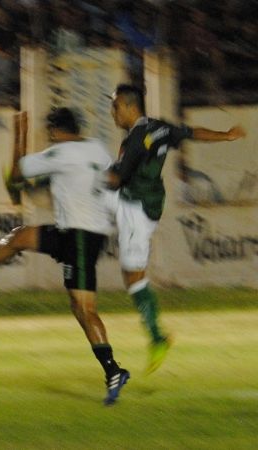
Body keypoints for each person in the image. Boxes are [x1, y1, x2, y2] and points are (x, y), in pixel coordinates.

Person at [0, 108, 130, 406]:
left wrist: (21, 132)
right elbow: (115, 179)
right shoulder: (96, 147)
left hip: (79, 236)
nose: (49, 135)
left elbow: (16, 173)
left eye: (49, 130)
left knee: (84, 309)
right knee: (21, 237)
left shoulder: (60, 153)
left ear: (56, 130)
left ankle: (113, 371)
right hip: (80, 233)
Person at [106, 83, 246, 374]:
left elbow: (115, 180)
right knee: (130, 273)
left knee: (133, 277)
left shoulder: (136, 140)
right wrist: (227, 136)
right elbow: (191, 133)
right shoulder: (158, 128)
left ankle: (158, 337)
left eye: (116, 106)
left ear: (131, 106)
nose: (113, 112)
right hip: (146, 204)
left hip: (134, 209)